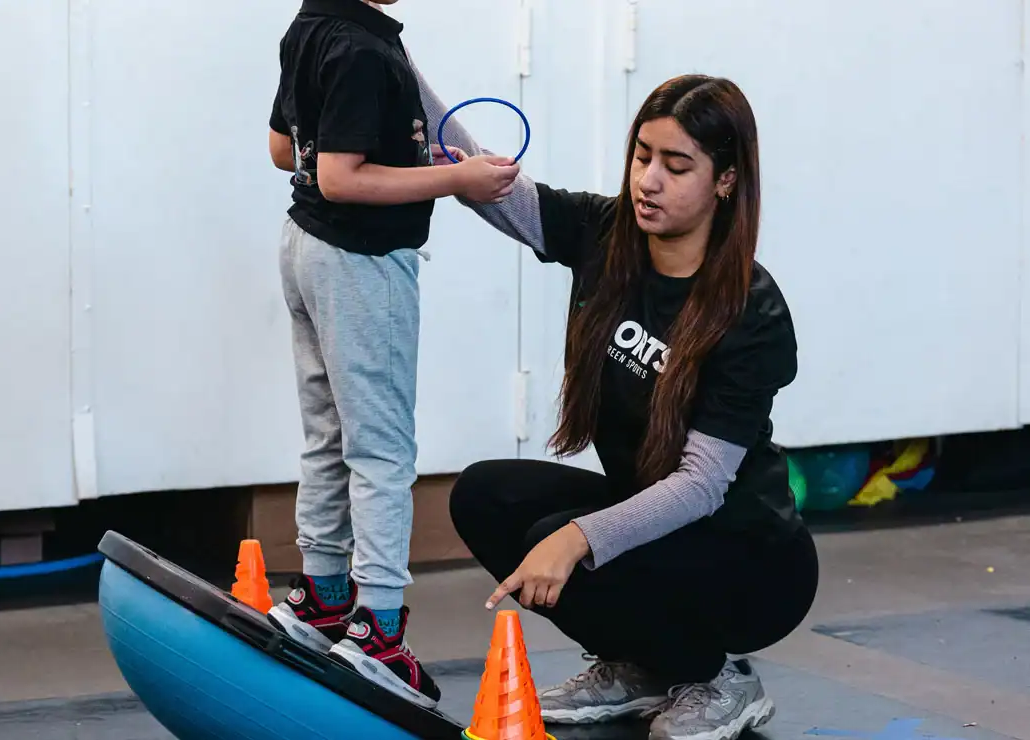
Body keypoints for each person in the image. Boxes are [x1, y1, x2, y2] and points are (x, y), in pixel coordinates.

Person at [411, 61, 820, 739]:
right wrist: (394, 61)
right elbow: (498, 188)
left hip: (750, 559)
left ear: (724, 180)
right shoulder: (608, 238)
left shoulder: (750, 308)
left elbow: (699, 486)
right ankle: (641, 666)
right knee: (483, 497)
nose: (648, 180)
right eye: (641, 156)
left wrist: (576, 539)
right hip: (665, 531)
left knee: (557, 544)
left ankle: (717, 677)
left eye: (676, 165)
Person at [264, 0, 520, 710]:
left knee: (328, 432)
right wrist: (456, 179)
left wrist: (412, 160)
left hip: (304, 247)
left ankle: (321, 596)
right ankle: (377, 629)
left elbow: (288, 150)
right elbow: (345, 177)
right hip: (360, 262)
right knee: (380, 448)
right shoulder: (368, 53)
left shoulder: (310, 27)